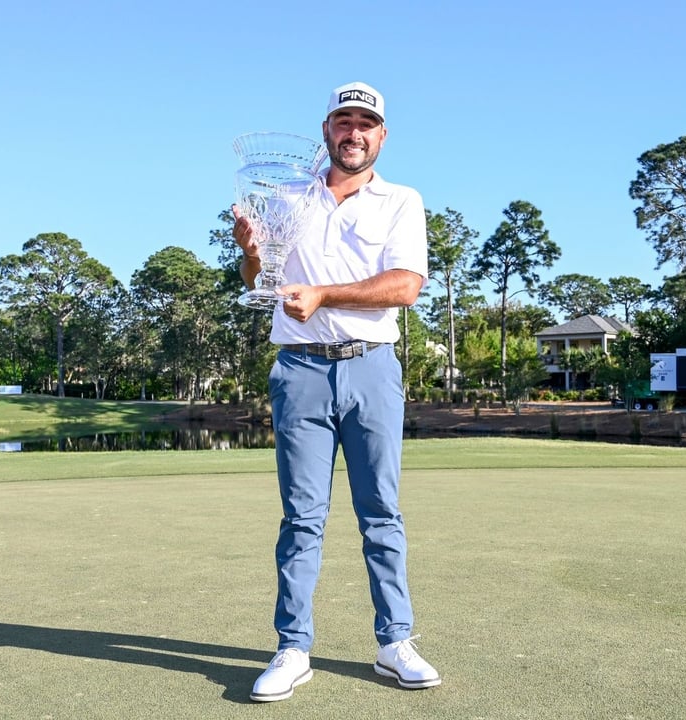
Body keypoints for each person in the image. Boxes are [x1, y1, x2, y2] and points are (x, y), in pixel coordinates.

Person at [232, 81, 440, 703]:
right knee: (302, 517)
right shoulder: (287, 196)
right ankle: (293, 648)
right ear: (326, 130)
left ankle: (393, 643)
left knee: (382, 513)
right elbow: (260, 279)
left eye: (366, 124)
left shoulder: (401, 201)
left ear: (382, 136)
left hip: (372, 366)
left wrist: (325, 294)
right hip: (299, 370)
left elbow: (405, 287)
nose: (354, 132)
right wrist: (250, 253)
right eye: (344, 121)